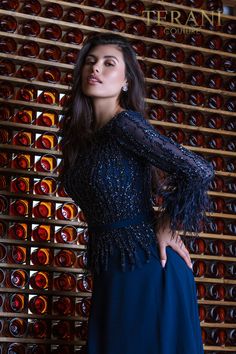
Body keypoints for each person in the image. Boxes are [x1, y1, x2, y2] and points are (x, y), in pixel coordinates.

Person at [61, 32, 214, 354]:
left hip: (146, 264)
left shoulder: (125, 124)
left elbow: (198, 171)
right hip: (111, 269)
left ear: (126, 80)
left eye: (108, 63)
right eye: (90, 62)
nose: (96, 69)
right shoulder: (83, 139)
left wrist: (168, 225)